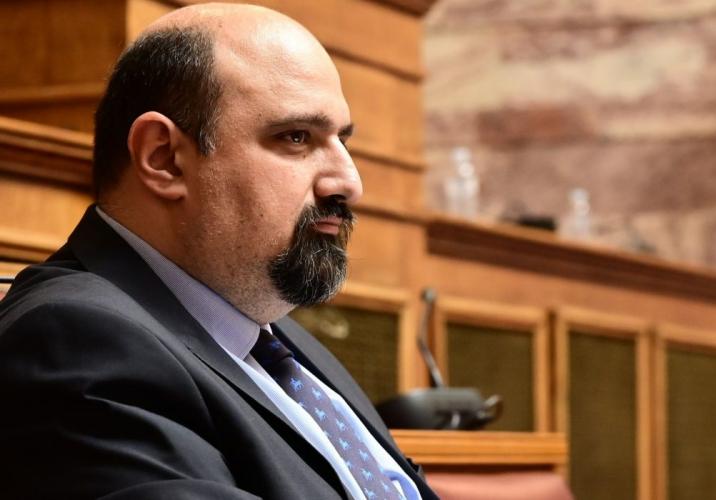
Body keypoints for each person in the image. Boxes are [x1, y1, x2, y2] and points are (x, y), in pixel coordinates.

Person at [0, 3, 437, 499]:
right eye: (296, 137)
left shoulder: (278, 342)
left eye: (343, 140)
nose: (349, 182)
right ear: (164, 159)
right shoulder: (76, 342)